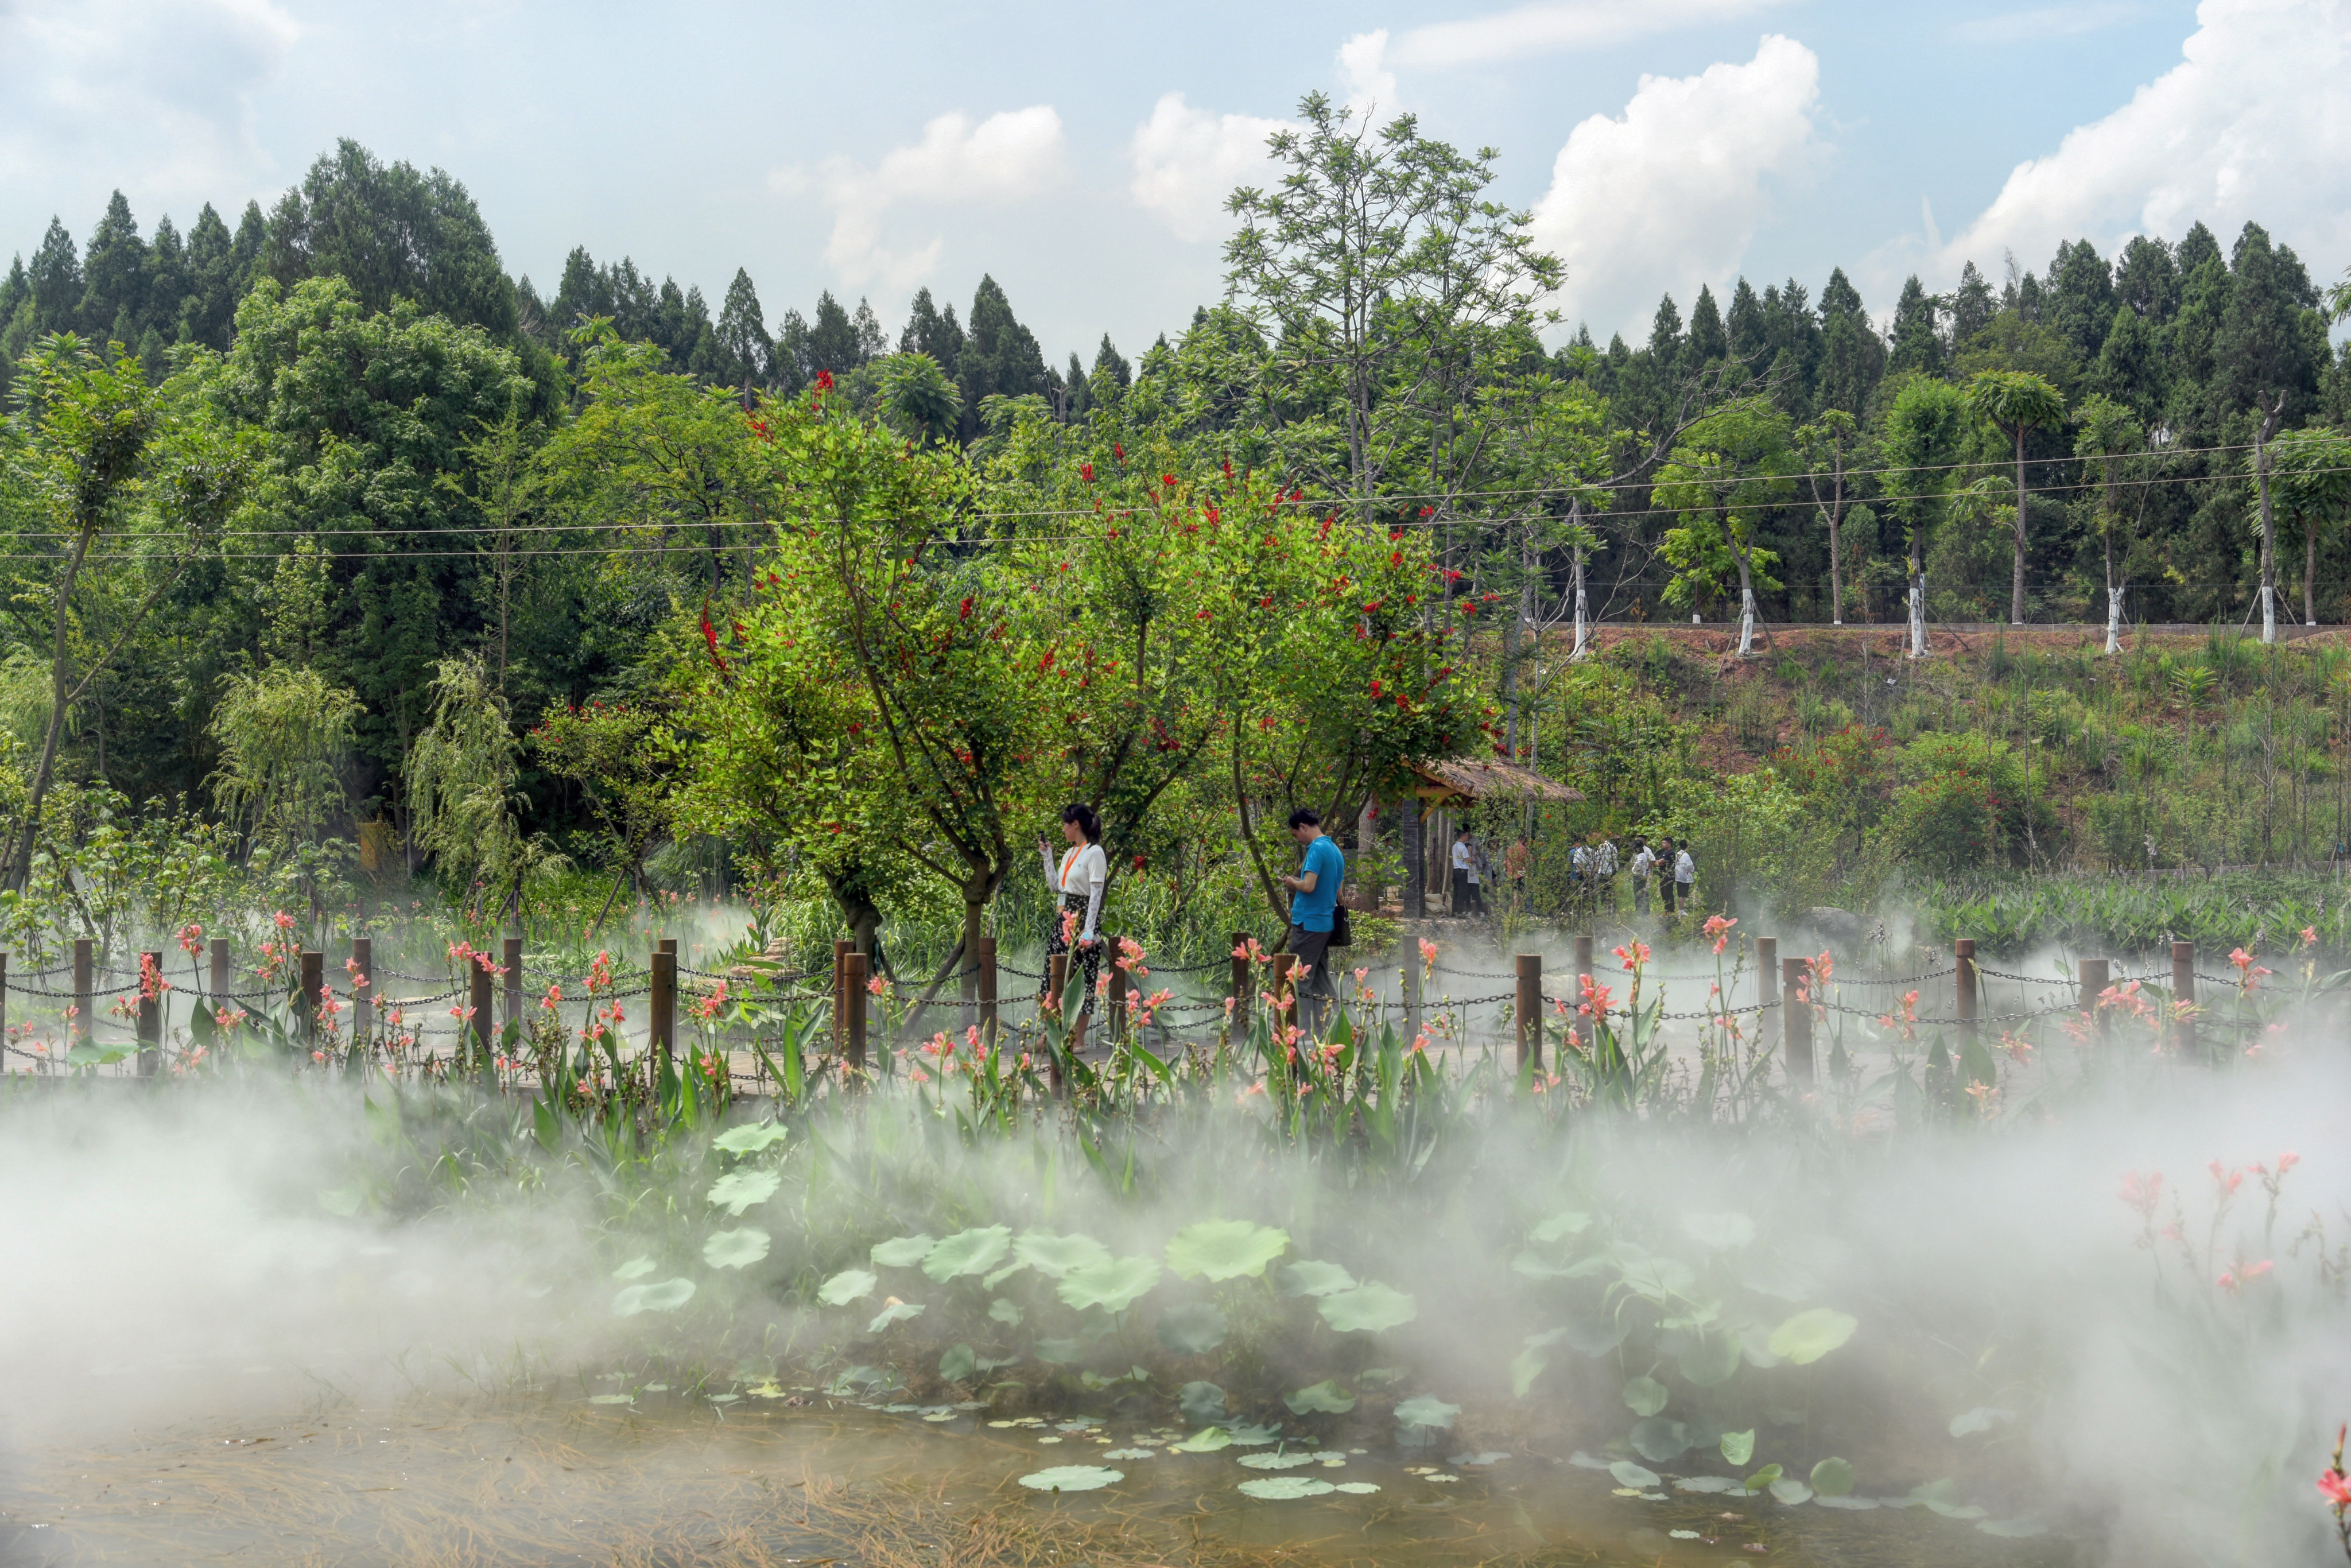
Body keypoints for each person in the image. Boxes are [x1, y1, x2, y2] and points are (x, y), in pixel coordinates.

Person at [1036, 803, 1107, 1054]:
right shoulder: (1069, 854)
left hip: (1084, 919)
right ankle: (1051, 1034)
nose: (1063, 829)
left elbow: (1096, 893)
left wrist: (1089, 931)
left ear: (1075, 824)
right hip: (1062, 918)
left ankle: (1078, 1039)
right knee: (1054, 975)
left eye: (1065, 825)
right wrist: (1048, 857)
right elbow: (1056, 888)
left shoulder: (1095, 852)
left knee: (1083, 977)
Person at [1278, 808, 1345, 1034]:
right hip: (1325, 924)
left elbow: (1308, 886)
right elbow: (1339, 892)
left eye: (1296, 835)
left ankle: (1299, 1031)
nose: (1297, 839)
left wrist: (1293, 882)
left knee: (1298, 979)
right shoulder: (1335, 850)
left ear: (1303, 827)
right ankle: (1332, 1027)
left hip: (1309, 924)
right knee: (1320, 981)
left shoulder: (1316, 849)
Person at [1630, 839, 1655, 915]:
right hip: (1637, 877)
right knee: (1637, 895)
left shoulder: (1642, 856)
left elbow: (1636, 867)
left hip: (1639, 877)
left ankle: (1642, 912)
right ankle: (1639, 911)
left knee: (1640, 895)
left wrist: (1632, 871)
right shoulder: (1637, 855)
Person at [1505, 837, 1529, 911]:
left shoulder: (1510, 848)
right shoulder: (1522, 848)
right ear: (1523, 839)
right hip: (1520, 873)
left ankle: (1514, 912)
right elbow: (1527, 861)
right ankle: (1517, 912)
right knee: (1521, 894)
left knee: (1515, 893)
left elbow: (1506, 861)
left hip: (1511, 873)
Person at [1673, 841, 1697, 914]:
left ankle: (1681, 909)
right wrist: (1692, 869)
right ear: (1687, 846)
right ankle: (1681, 910)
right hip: (1684, 876)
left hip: (1678, 875)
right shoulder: (1685, 855)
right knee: (1682, 894)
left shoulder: (1678, 854)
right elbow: (1688, 866)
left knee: (1680, 893)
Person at [1655, 837, 1677, 914]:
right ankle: (1666, 910)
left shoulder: (1671, 853)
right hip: (1662, 876)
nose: (1663, 845)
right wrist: (1659, 863)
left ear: (1670, 844)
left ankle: (1671, 910)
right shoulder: (1663, 853)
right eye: (1662, 843)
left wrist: (1659, 863)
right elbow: (1657, 863)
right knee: (1663, 893)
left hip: (1668, 876)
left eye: (1664, 843)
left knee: (1669, 893)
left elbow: (1661, 862)